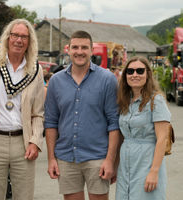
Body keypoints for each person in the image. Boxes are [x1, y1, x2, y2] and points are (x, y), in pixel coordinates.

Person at [44, 30, 120, 200]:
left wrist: (111, 161)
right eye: (75, 47)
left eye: (84, 47)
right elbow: (50, 122)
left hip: (97, 158)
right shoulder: (56, 81)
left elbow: (114, 123)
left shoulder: (107, 79)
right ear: (68, 50)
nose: (79, 51)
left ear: (92, 50)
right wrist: (51, 159)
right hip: (66, 158)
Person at [0, 18, 44, 200]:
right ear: (7, 37)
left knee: (24, 195)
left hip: (23, 142)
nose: (19, 40)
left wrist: (35, 141)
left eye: (24, 36)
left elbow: (38, 113)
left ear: (30, 41)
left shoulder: (35, 70)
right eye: (15, 35)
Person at [115, 56, 171, 200]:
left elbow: (162, 139)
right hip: (125, 165)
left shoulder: (156, 100)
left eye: (140, 71)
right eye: (130, 71)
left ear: (148, 74)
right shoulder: (125, 101)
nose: (135, 75)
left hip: (146, 162)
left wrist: (154, 171)